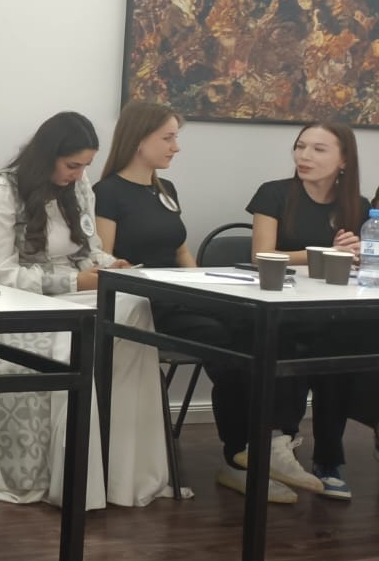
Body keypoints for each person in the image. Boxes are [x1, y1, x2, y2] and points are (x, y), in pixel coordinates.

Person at [93, 102, 303, 504]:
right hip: (143, 304)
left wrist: (205, 290)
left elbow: (181, 251)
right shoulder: (107, 193)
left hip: (180, 295)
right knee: (225, 344)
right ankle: (242, 456)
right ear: (139, 141)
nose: (176, 147)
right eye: (168, 138)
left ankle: (264, 445)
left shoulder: (165, 190)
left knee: (255, 327)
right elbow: (105, 261)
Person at [0, 111, 174, 510]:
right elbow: (0, 275)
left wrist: (110, 264)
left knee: (135, 307)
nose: (80, 175)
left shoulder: (79, 188)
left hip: (73, 290)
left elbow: (88, 250)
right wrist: (74, 282)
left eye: (85, 166)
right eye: (72, 165)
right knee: (79, 332)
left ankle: (123, 469)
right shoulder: (1, 192)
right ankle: (72, 476)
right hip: (16, 301)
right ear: (47, 156)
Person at [247, 121, 370, 500]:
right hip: (281, 307)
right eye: (300, 147)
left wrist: (357, 254)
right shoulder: (274, 193)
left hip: (331, 309)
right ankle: (284, 440)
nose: (304, 156)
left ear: (343, 160)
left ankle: (328, 459)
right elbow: (260, 256)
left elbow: (359, 264)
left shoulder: (358, 205)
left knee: (346, 347)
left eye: (318, 149)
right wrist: (324, 252)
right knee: (311, 344)